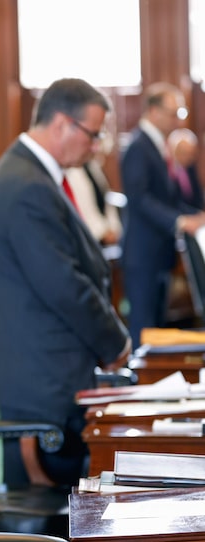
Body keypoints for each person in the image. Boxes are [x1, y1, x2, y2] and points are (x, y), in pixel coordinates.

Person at [0, 78, 130, 487]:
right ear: (63, 123)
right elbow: (64, 284)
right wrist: (116, 342)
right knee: (50, 531)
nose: (97, 145)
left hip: (53, 372)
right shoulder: (26, 183)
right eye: (94, 133)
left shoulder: (34, 174)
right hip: (43, 386)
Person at [120, 82, 205, 348]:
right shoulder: (138, 145)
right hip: (143, 254)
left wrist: (194, 215)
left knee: (156, 328)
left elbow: (169, 198)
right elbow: (140, 198)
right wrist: (180, 221)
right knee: (143, 331)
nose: (177, 119)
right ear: (154, 112)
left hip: (158, 253)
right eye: (174, 113)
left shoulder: (159, 145)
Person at [63, 150, 123, 246]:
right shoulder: (70, 171)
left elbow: (106, 199)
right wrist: (103, 233)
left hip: (107, 234)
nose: (95, 147)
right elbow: (83, 209)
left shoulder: (93, 165)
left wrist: (113, 227)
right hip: (91, 237)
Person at [167, 127, 204, 210]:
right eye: (184, 153)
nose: (189, 158)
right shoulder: (167, 170)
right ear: (173, 150)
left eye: (191, 154)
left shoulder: (191, 168)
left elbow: (198, 197)